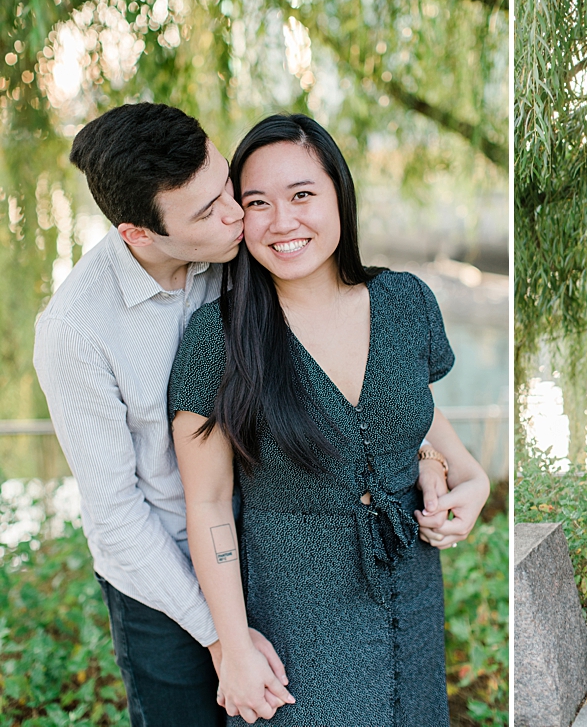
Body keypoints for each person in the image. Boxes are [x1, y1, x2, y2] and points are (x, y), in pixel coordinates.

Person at [32, 103, 449, 727]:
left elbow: (360, 378)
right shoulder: (77, 332)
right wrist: (225, 639)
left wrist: (427, 456)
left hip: (271, 546)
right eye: (209, 211)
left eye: (226, 186)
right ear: (138, 234)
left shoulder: (239, 254)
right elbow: (118, 519)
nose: (236, 215)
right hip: (163, 571)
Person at [168, 113, 491, 726]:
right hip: (296, 623)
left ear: (339, 196)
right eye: (257, 202)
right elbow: (207, 504)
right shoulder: (218, 339)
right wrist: (233, 648)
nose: (282, 222)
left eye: (302, 195)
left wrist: (466, 480)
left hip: (410, 592)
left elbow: (414, 415)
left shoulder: (405, 302)